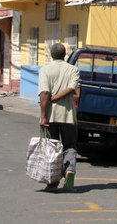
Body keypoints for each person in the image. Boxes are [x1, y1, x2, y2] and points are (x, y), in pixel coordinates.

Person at [38, 42, 80, 192]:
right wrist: (55, 98)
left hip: (51, 116)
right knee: (69, 146)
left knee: (53, 149)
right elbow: (70, 89)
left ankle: (53, 182)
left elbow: (44, 94)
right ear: (64, 55)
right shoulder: (73, 70)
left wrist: (43, 116)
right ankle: (69, 170)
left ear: (51, 55)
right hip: (68, 116)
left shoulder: (45, 70)